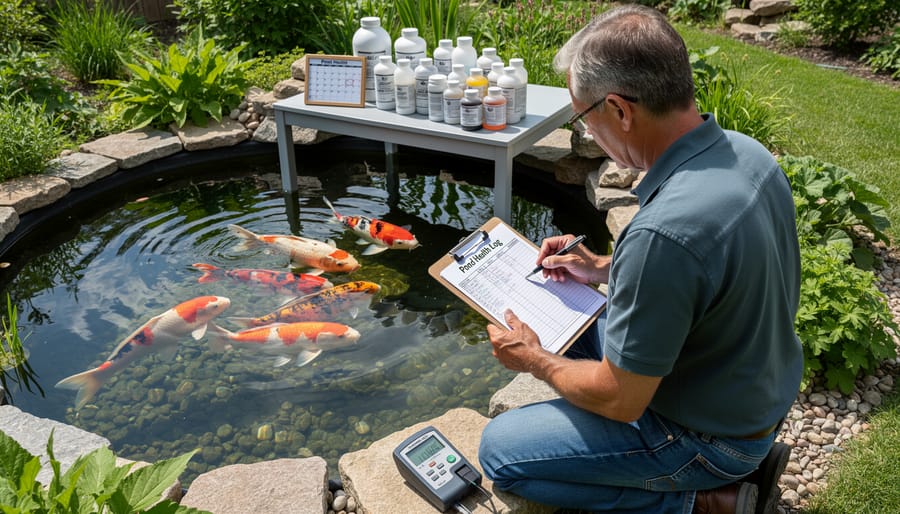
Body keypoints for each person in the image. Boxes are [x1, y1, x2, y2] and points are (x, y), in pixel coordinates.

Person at [477, 5, 802, 514]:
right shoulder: (747, 153)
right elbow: (710, 267)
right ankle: (734, 469)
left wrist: (533, 360)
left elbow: (621, 399)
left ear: (620, 110)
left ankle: (704, 500)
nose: (588, 133)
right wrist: (602, 267)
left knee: (500, 452)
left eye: (583, 118)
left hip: (706, 437)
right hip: (750, 396)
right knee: (573, 313)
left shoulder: (662, 234)